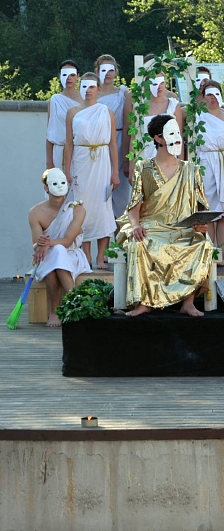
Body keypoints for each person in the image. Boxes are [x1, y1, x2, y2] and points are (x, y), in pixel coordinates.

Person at [115, 115, 213, 317]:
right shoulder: (144, 167)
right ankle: (144, 302)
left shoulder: (191, 169)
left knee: (201, 244)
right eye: (171, 133)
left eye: (178, 133)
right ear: (158, 139)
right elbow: (134, 206)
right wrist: (134, 226)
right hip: (152, 225)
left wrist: (201, 225)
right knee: (139, 243)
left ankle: (188, 302)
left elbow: (201, 208)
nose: (177, 138)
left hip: (183, 228)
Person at [63, 72, 119, 269]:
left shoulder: (107, 112)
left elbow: (113, 144)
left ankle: (101, 257)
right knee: (82, 206)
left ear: (98, 89)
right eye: (84, 86)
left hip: (102, 162)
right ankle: (85, 255)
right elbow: (68, 144)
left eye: (91, 87)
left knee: (102, 209)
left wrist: (115, 172)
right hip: (81, 160)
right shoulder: (73, 112)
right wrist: (67, 171)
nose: (88, 90)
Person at [28, 168, 90, 327]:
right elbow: (36, 246)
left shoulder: (78, 209)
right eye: (54, 183)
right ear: (46, 187)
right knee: (54, 254)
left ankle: (57, 311)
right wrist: (40, 244)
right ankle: (72, 304)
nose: (59, 186)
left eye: (62, 182)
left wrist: (48, 244)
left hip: (72, 255)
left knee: (58, 251)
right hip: (47, 255)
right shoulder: (35, 212)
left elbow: (68, 241)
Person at [198, 80, 224, 267]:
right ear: (203, 97)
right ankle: (210, 252)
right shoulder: (197, 118)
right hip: (205, 165)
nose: (213, 98)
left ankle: (221, 253)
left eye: (216, 94)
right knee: (208, 212)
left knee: (223, 213)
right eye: (209, 94)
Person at [126, 68, 183, 180]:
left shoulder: (173, 105)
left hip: (170, 157)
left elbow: (179, 135)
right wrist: (132, 165)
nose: (159, 86)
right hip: (145, 155)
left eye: (162, 82)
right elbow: (134, 137)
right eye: (155, 83)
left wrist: (181, 164)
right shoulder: (139, 107)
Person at [95, 54, 132, 217]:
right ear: (97, 71)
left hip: (118, 141)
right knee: (98, 196)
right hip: (98, 145)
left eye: (111, 69)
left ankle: (119, 240)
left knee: (121, 199)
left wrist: (126, 154)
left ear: (116, 72)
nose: (108, 73)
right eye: (104, 69)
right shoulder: (90, 95)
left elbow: (128, 124)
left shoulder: (123, 94)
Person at [46, 60, 83, 170]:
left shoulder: (85, 100)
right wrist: (49, 163)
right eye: (65, 74)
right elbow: (50, 133)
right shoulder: (55, 100)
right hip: (59, 152)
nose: (69, 78)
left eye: (72, 75)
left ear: (78, 76)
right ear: (59, 76)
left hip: (80, 152)